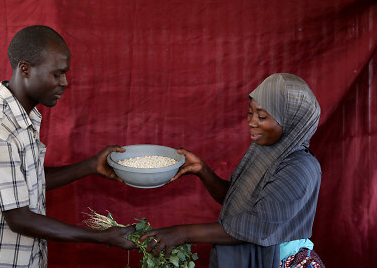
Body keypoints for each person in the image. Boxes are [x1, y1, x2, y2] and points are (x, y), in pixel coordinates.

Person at [0, 25, 135, 267]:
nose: (64, 82)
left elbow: (25, 181)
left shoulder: (22, 117)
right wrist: (103, 236)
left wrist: (90, 166)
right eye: (57, 74)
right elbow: (19, 218)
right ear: (25, 69)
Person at [139, 73, 325, 267]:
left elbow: (257, 225)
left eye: (262, 116)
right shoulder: (265, 154)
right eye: (251, 112)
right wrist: (202, 170)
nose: (252, 122)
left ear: (291, 122)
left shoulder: (299, 168)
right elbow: (240, 203)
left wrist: (182, 233)